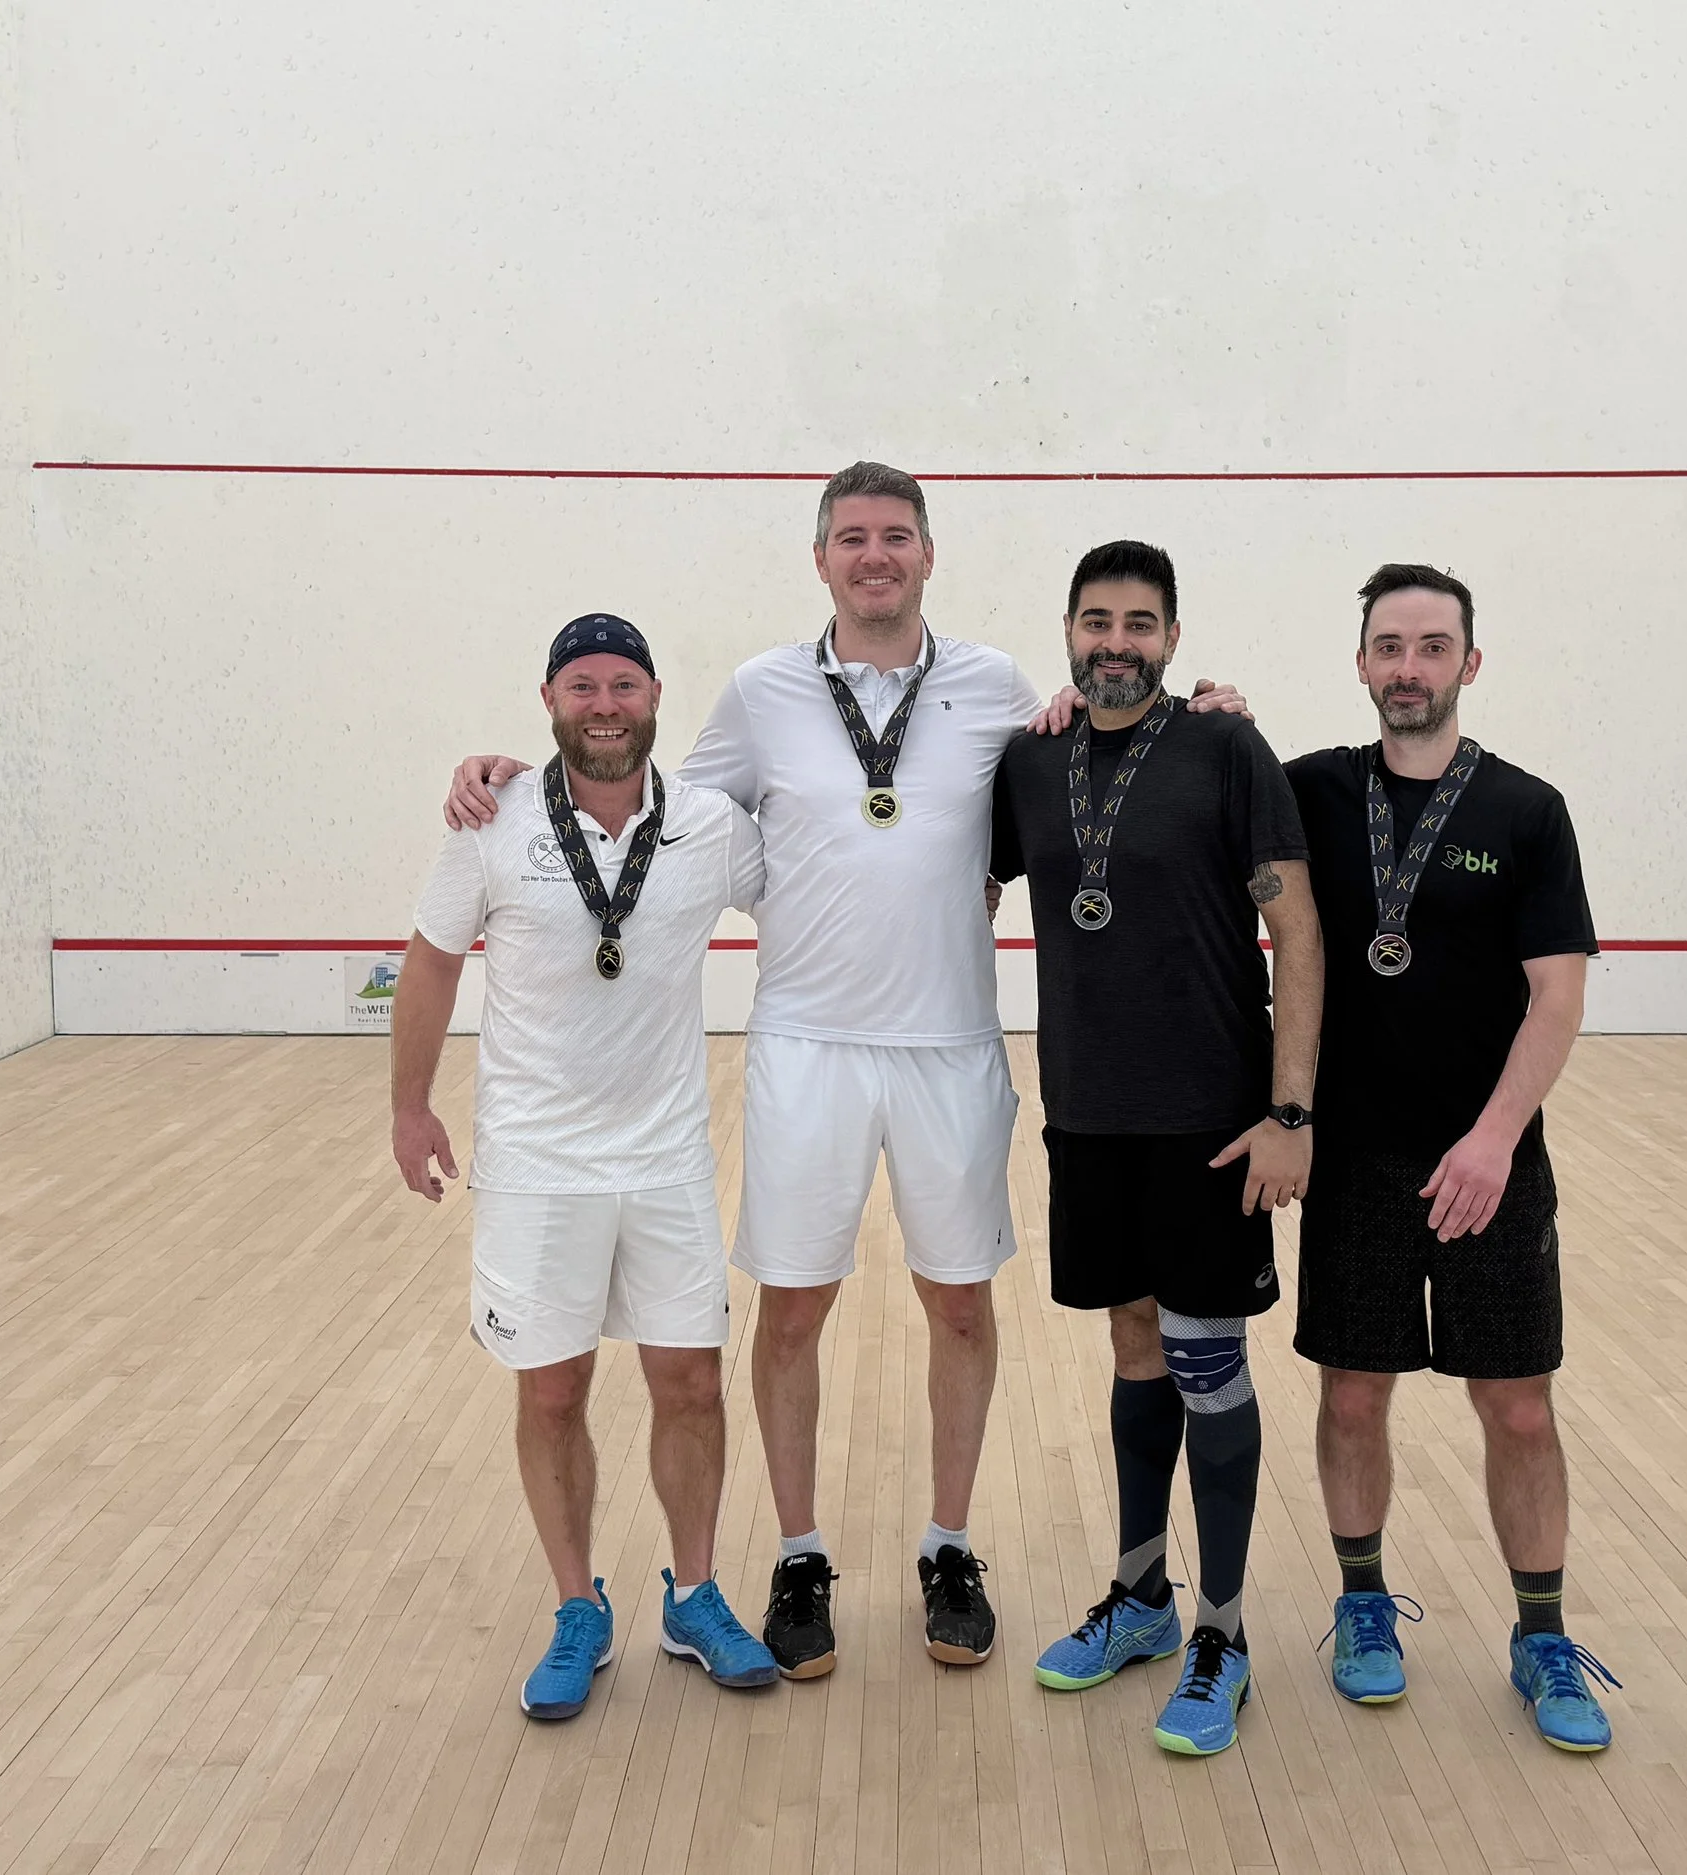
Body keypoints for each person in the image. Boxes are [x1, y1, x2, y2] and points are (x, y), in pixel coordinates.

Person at [440, 466, 1251, 1678]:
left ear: (928, 555)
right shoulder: (761, 691)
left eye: (897, 536)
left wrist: (1206, 710)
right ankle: (800, 1557)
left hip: (950, 1047)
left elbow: (1105, 744)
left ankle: (948, 1549)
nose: (876, 555)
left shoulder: (995, 686)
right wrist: (513, 779)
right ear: (821, 558)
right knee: (793, 1308)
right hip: (804, 1048)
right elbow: (654, 802)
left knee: (959, 1304)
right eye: (854, 537)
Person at [391, 614, 779, 1722]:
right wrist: (409, 1106)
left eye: (622, 686)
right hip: (535, 1166)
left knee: (690, 1383)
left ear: (654, 696)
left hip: (666, 1159)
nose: (604, 706)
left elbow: (823, 879)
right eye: (582, 687)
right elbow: (429, 964)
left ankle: (694, 1596)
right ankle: (577, 1607)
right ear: (550, 701)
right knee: (553, 1389)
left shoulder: (712, 825)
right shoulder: (492, 820)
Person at [990, 541, 1323, 1757]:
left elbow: (1297, 929)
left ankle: (1221, 1635)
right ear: (1068, 633)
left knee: (1203, 1351)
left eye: (1139, 624)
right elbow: (951, 875)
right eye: (1097, 622)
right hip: (1086, 1113)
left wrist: (1291, 1114)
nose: (1116, 643)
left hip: (1208, 1121)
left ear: (1173, 639)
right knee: (1134, 1340)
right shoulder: (1030, 760)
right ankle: (1140, 1599)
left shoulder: (1229, 749)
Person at [1282, 564, 1620, 1751]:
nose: (1409, 668)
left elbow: (1556, 998)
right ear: (1360, 662)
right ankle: (1363, 1606)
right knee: (1351, 1394)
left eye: (1432, 647)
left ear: (1469, 663)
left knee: (1517, 1409)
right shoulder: (1311, 791)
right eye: (1389, 646)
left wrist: (1491, 1137)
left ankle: (1542, 1637)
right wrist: (1193, 708)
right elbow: (1201, 790)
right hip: (1354, 1163)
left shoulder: (1527, 811)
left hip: (1491, 1164)